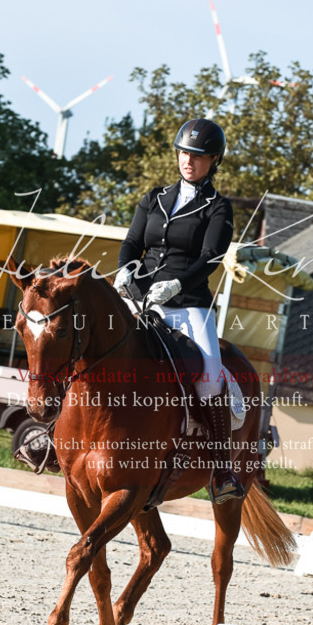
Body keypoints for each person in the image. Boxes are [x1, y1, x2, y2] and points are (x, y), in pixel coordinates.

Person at [113, 118, 244, 505]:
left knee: (210, 379)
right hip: (140, 297)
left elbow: (210, 257)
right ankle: (56, 433)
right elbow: (132, 242)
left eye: (198, 156)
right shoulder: (154, 198)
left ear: (214, 161)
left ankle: (222, 470)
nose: (189, 161)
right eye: (184, 153)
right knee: (93, 345)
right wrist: (124, 271)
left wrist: (176, 285)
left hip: (188, 305)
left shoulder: (218, 207)